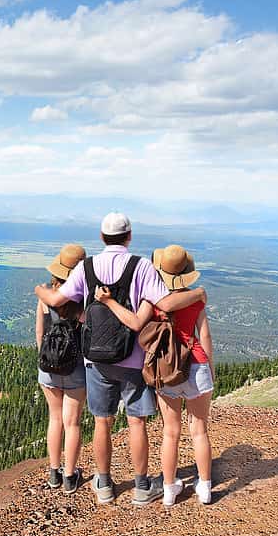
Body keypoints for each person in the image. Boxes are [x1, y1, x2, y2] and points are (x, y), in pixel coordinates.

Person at [35, 213, 204, 506]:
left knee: (103, 422)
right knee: (136, 422)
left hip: (95, 359)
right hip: (133, 357)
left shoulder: (86, 267)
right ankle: (141, 486)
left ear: (101, 237)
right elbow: (164, 303)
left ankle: (103, 484)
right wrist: (200, 294)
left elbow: (56, 301)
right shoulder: (142, 266)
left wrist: (39, 290)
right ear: (129, 236)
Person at [95, 244, 214, 505]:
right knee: (200, 430)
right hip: (197, 364)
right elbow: (204, 336)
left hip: (165, 369)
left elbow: (136, 324)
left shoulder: (152, 301)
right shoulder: (196, 300)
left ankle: (170, 489)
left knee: (170, 432)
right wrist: (210, 369)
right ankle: (204, 487)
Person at [35, 243, 88, 494]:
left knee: (54, 419)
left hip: (48, 367)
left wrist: (45, 358)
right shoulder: (83, 300)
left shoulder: (46, 295)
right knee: (72, 423)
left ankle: (53, 474)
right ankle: (70, 477)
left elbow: (39, 332)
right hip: (76, 368)